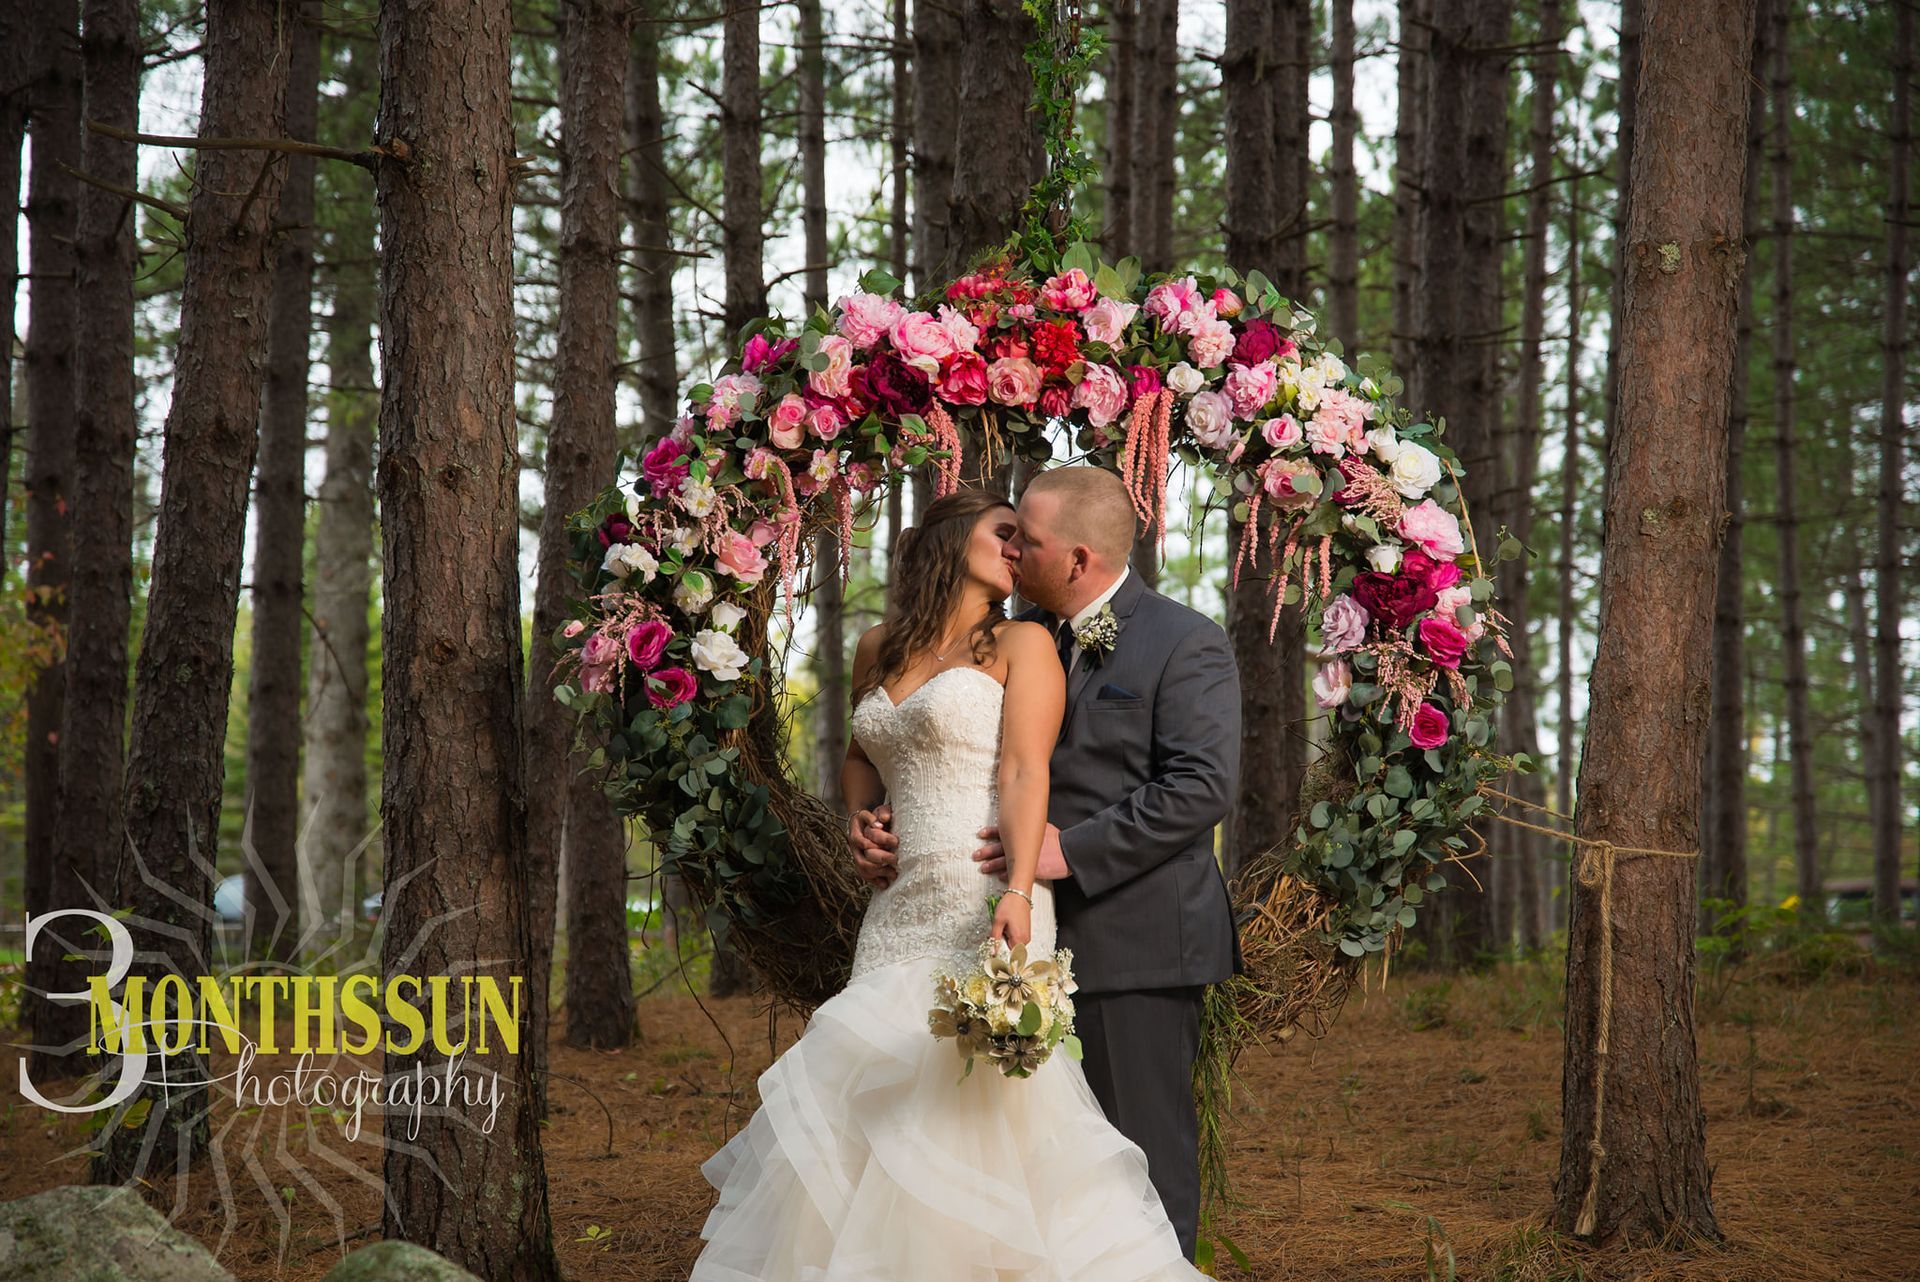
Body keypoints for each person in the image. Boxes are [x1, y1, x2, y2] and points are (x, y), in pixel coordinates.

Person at [691, 487, 1206, 1281]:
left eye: (1026, 540)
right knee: (876, 1099)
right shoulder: (877, 646)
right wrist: (862, 820)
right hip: (895, 906)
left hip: (983, 892)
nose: (1018, 550)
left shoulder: (1023, 644)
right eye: (1006, 533)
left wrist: (1016, 894)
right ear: (951, 536)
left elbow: (1024, 768)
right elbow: (862, 758)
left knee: (981, 1113)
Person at [855, 466, 1243, 1259]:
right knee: (1022, 1165)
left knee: (1139, 1160)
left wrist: (1067, 850)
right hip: (995, 929)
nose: (1014, 550)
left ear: (1076, 560)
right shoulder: (1010, 633)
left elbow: (1203, 785)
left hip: (1135, 938)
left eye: (1026, 539)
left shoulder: (1183, 640)